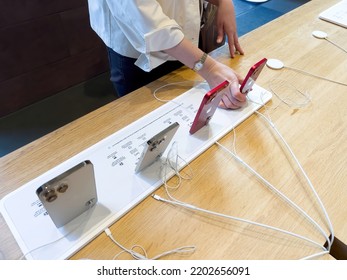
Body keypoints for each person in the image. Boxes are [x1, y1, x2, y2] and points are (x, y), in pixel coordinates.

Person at [87, 0, 246, 109]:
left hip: (186, 38)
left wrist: (223, 2)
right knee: (149, 126)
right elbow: (143, 16)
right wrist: (210, 69)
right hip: (137, 52)